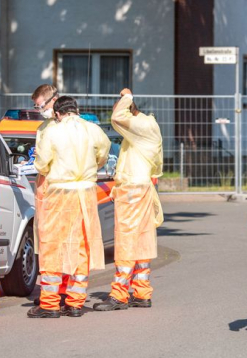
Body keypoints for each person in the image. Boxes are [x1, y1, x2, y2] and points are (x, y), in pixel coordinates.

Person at [27, 96, 111, 318]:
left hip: (59, 193)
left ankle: (50, 303)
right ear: (77, 110)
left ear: (57, 113)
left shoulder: (51, 131)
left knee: (53, 246)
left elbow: (42, 163)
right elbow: (104, 153)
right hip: (86, 193)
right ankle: (75, 302)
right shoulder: (92, 129)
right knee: (80, 247)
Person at [94, 88, 163, 311]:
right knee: (142, 241)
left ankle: (119, 295)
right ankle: (141, 292)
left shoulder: (143, 126)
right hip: (140, 188)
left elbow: (117, 117)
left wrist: (126, 96)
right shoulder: (145, 129)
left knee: (125, 241)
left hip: (132, 190)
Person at [29, 84, 66, 307]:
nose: (39, 110)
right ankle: (51, 293)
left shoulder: (66, 127)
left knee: (61, 244)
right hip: (46, 190)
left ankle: (59, 293)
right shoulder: (44, 127)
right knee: (47, 244)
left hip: (59, 189)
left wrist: (38, 163)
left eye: (40, 105)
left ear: (54, 100)